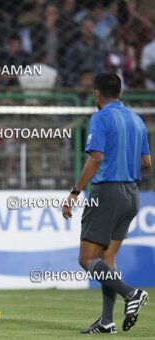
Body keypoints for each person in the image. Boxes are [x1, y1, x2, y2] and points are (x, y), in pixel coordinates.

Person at [62, 73, 151, 334]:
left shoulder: (100, 117)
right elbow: (146, 162)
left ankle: (131, 293)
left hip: (107, 193)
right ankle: (106, 321)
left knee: (87, 259)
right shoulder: (136, 120)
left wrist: (75, 192)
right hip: (132, 194)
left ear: (97, 94)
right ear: (120, 93)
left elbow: (96, 158)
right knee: (108, 259)